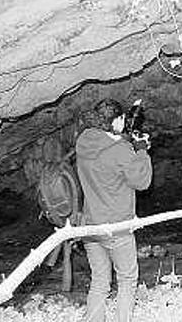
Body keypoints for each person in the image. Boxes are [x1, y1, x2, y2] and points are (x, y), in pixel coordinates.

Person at [75, 99, 152, 322]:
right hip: (116, 227)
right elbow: (142, 180)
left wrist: (125, 142)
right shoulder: (120, 150)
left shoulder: (84, 142)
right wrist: (141, 150)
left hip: (90, 227)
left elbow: (106, 152)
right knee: (127, 278)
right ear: (117, 120)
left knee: (100, 280)